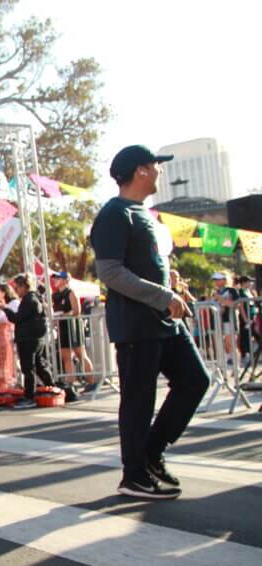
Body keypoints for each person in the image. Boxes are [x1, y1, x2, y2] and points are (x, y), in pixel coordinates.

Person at [91, 144, 210, 500]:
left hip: (164, 321)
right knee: (138, 400)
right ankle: (134, 475)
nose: (160, 171)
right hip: (136, 325)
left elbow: (144, 264)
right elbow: (110, 271)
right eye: (157, 166)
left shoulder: (144, 213)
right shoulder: (114, 214)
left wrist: (171, 287)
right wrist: (164, 296)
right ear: (141, 170)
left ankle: (152, 452)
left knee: (194, 380)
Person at [2, 273, 54, 408]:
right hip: (37, 338)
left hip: (28, 339)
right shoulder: (36, 297)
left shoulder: (28, 300)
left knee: (28, 368)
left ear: (23, 286)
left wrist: (5, 310)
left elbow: (17, 318)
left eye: (17, 288)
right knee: (39, 365)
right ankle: (52, 388)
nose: (16, 291)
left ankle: (29, 397)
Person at [50, 271, 96, 390]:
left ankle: (92, 382)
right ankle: (70, 384)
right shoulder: (55, 295)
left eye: (58, 278)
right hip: (62, 327)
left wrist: (64, 315)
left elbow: (77, 310)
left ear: (65, 280)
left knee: (80, 354)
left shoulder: (70, 293)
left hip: (73, 326)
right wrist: (56, 318)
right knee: (65, 356)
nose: (55, 281)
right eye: (55, 279)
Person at [212, 271, 239, 366]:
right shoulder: (216, 291)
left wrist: (220, 299)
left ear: (224, 279)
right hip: (220, 320)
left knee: (230, 342)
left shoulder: (231, 290)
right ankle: (230, 362)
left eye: (218, 279)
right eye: (215, 280)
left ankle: (236, 365)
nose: (216, 282)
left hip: (230, 319)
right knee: (225, 343)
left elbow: (234, 304)